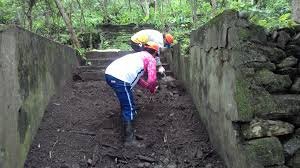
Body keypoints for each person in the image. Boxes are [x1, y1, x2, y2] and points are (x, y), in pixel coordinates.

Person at [105, 41, 159, 147]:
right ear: (155, 53)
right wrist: (152, 88)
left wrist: (148, 87)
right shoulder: (151, 59)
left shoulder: (137, 56)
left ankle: (129, 130)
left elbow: (137, 78)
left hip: (110, 74)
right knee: (129, 107)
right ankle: (129, 140)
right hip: (120, 78)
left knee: (127, 103)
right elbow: (152, 80)